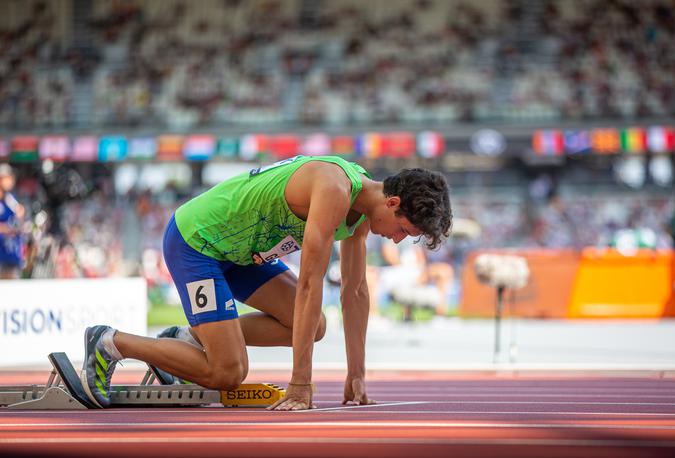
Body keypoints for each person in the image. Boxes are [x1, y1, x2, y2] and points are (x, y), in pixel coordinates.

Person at [81, 155, 452, 411]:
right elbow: (310, 285)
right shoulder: (334, 189)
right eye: (405, 230)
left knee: (315, 326)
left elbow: (355, 292)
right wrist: (300, 383)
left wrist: (356, 374)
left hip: (241, 255)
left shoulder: (362, 212)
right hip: (197, 243)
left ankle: (190, 340)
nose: (400, 240)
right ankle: (110, 342)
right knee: (227, 373)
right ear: (392, 202)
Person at [0, 164, 25, 279]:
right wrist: (9, 228)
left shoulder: (10, 199)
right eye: (7, 177)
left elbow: (18, 223)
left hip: (12, 254)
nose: (11, 180)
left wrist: (20, 217)